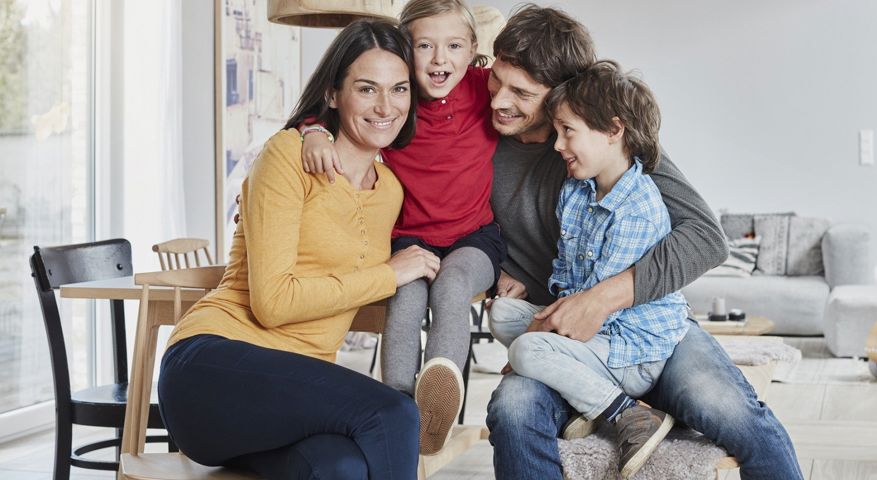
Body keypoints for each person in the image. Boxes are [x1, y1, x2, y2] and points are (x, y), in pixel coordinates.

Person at [483, 5, 804, 480]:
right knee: (513, 409)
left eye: (521, 93)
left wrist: (601, 299)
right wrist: (496, 263)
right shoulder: (474, 130)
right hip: (557, 333)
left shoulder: (604, 143)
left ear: (561, 97)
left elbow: (705, 237)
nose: (497, 102)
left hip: (643, 326)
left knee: (730, 410)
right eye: (496, 80)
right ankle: (603, 403)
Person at [157, 19, 441, 480]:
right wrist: (390, 273)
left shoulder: (389, 189)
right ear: (333, 94)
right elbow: (273, 303)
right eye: (367, 89)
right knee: (395, 413)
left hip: (292, 400)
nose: (386, 106)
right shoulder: (288, 155)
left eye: (400, 89)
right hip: (211, 368)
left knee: (339, 468)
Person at [298, 0, 505, 455]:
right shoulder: (394, 98)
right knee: (406, 300)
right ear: (405, 52)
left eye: (453, 45)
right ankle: (396, 405)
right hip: (409, 239)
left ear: (472, 51)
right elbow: (329, 108)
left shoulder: (484, 89)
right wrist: (313, 132)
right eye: (424, 46)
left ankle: (438, 402)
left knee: (452, 287)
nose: (439, 59)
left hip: (475, 237)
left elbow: (530, 95)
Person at [500, 60, 688, 478]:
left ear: (613, 130)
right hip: (591, 335)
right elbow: (568, 277)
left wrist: (540, 337)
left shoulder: (637, 207)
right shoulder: (576, 189)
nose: (557, 145)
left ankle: (630, 414)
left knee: (528, 350)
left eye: (568, 131)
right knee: (502, 314)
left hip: (630, 348)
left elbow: (593, 311)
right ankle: (588, 397)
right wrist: (541, 324)